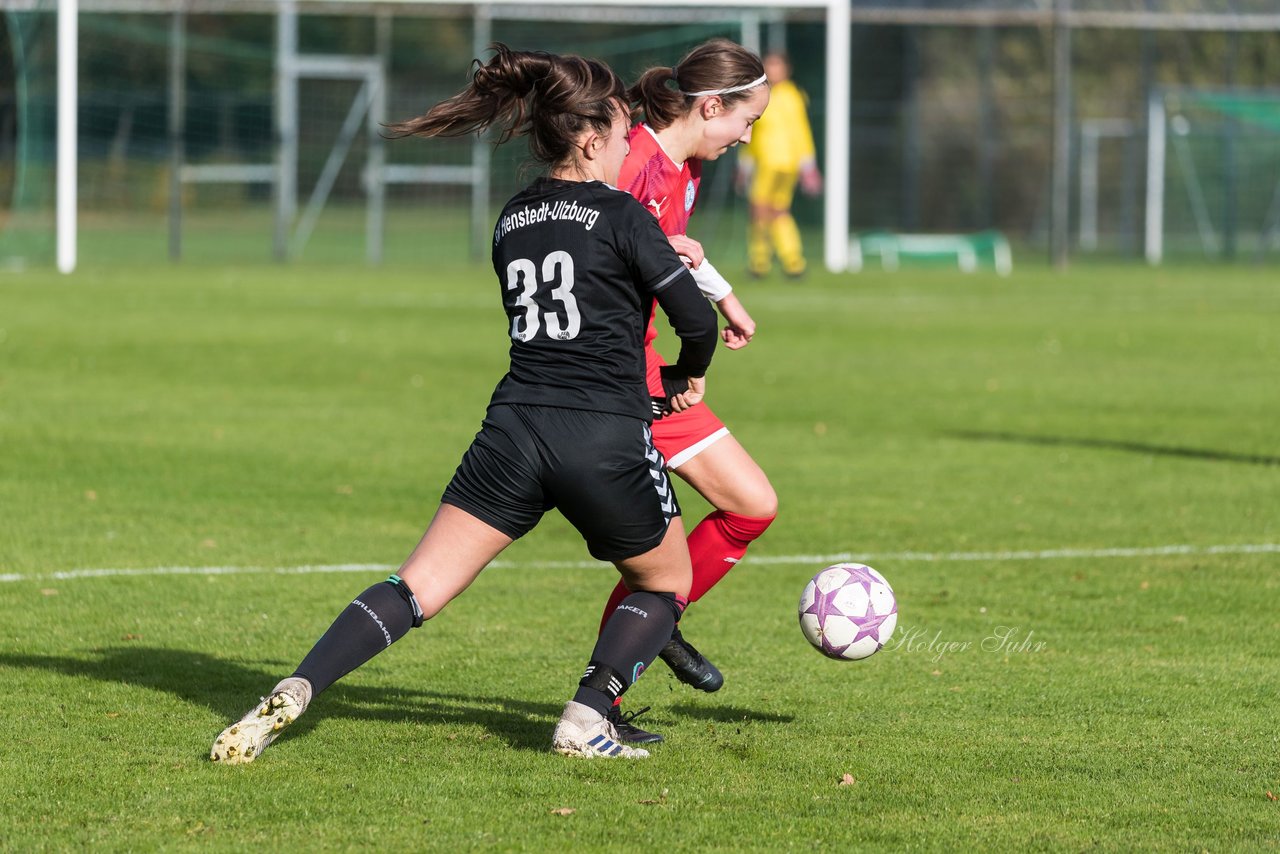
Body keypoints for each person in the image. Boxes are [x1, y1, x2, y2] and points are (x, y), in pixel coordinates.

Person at [209, 44, 719, 763]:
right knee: (666, 581)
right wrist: (684, 375)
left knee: (415, 585)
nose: (632, 140)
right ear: (590, 135)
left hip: (512, 430)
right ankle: (585, 717)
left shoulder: (512, 218)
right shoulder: (623, 214)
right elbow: (696, 323)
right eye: (624, 125)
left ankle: (300, 684)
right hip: (600, 433)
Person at [594, 39, 778, 744]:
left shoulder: (686, 170)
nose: (748, 136)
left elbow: (667, 251)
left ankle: (659, 621)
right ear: (711, 107)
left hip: (652, 378)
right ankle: (621, 670)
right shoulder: (633, 160)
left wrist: (722, 295)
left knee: (752, 505)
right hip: (611, 383)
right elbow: (601, 252)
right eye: (747, 120)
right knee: (657, 569)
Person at [738, 51, 822, 279]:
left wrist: (808, 166)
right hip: (781, 162)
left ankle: (759, 262)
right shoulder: (780, 94)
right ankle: (793, 262)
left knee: (759, 211)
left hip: (774, 162)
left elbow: (800, 131)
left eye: (777, 65)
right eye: (769, 65)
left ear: (786, 69)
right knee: (777, 211)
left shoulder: (784, 95)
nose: (773, 70)